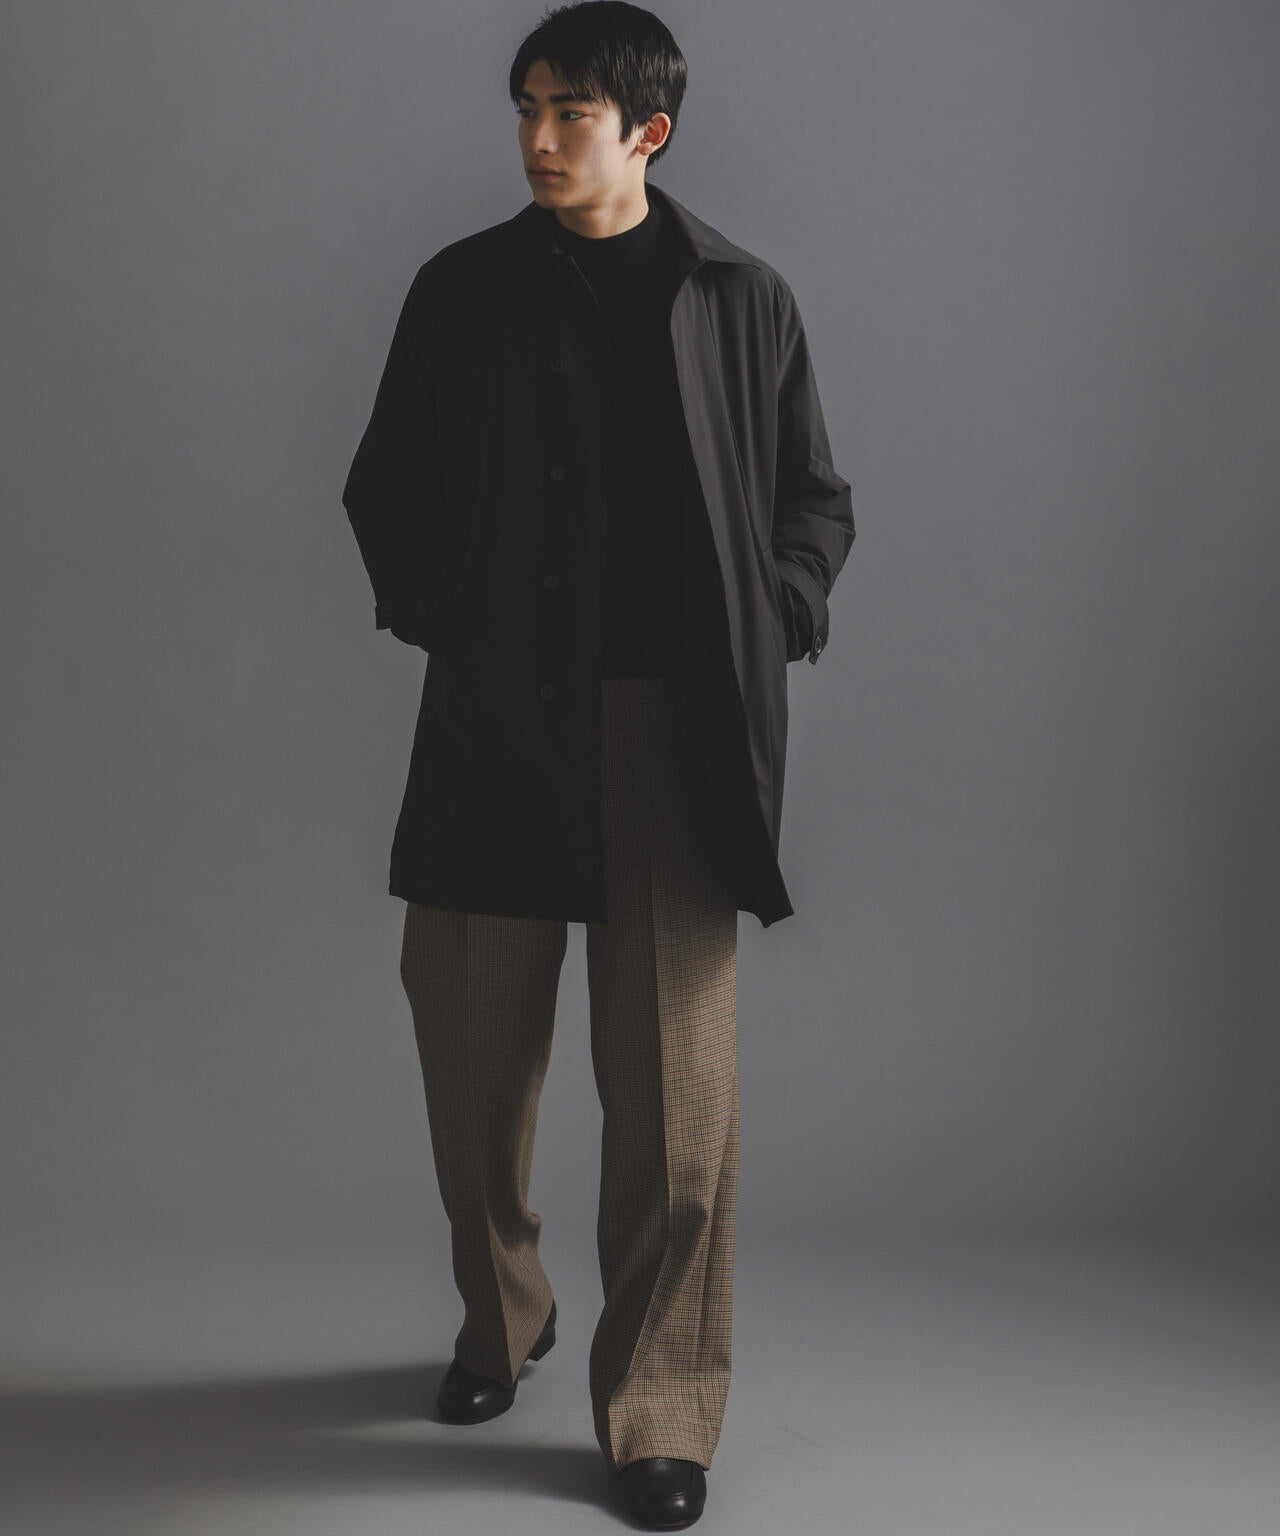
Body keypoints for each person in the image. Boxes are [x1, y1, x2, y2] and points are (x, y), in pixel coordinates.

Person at [341, 3, 854, 1526]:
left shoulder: (744, 298)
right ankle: (504, 1315)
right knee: (471, 1065)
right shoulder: (462, 291)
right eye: (527, 108)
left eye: (571, 112)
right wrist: (453, 618)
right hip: (501, 720)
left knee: (678, 1105)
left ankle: (662, 1411)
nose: (539, 137)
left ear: (650, 132)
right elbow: (387, 490)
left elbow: (814, 499)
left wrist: (778, 614)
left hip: (678, 737)